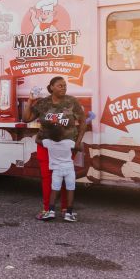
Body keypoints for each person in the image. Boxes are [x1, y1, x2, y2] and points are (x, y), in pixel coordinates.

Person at [28, 76, 88, 221]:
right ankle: (48, 209)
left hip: (67, 147)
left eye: (65, 85)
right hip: (45, 145)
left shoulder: (71, 101)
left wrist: (77, 143)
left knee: (64, 177)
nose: (64, 88)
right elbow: (26, 118)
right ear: (52, 87)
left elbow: (83, 122)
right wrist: (30, 102)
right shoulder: (43, 103)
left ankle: (65, 209)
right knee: (47, 178)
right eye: (60, 85)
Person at [40, 122, 79, 222]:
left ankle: (51, 211)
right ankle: (68, 213)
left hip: (56, 170)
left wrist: (42, 131)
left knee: (54, 190)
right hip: (69, 169)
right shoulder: (68, 142)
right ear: (62, 135)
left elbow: (37, 140)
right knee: (70, 189)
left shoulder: (48, 142)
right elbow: (80, 147)